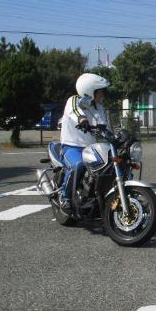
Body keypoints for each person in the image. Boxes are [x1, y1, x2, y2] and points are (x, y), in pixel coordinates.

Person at [59, 73, 110, 212]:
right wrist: (83, 120)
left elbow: (105, 126)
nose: (102, 94)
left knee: (109, 165)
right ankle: (65, 198)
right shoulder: (73, 101)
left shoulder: (99, 107)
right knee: (78, 166)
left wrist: (115, 137)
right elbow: (76, 112)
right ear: (90, 91)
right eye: (99, 91)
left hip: (91, 148)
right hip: (72, 146)